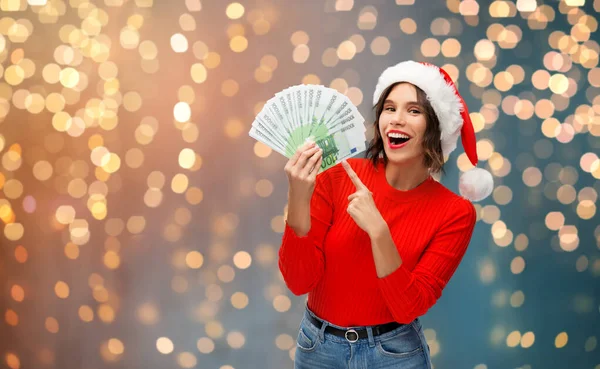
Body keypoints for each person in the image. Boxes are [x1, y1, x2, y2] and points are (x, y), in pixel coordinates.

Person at [278, 60, 494, 369]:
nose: (397, 120)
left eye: (414, 111)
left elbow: (409, 307)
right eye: (389, 108)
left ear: (436, 127)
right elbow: (299, 282)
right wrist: (298, 196)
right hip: (318, 350)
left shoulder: (455, 213)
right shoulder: (339, 175)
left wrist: (379, 231)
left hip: (394, 356)